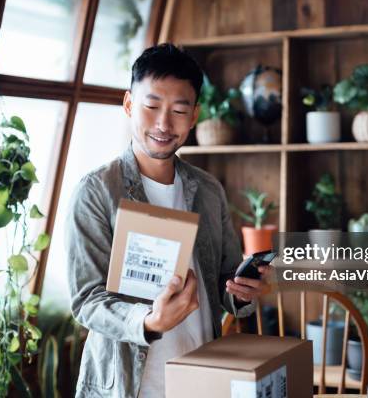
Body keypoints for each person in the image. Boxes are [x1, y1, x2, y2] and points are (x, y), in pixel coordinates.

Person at [66, 43, 272, 398]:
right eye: (151, 106)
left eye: (179, 110)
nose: (163, 124)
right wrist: (148, 323)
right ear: (129, 105)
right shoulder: (97, 191)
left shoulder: (208, 190)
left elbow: (224, 279)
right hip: (130, 386)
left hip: (202, 375)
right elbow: (87, 300)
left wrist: (243, 292)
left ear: (194, 117)